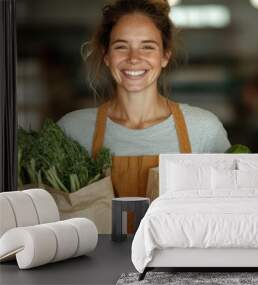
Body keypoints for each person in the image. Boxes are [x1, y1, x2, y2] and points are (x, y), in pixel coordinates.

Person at [57, 0, 231, 201]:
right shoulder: (72, 130)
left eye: (147, 47)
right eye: (121, 46)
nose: (134, 58)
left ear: (165, 56)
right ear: (107, 56)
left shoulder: (204, 130)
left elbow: (227, 213)